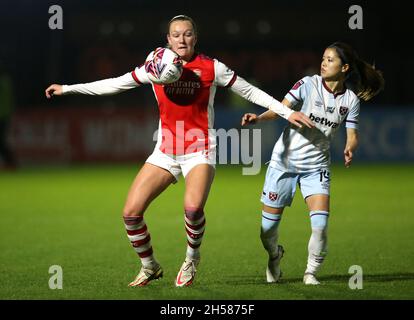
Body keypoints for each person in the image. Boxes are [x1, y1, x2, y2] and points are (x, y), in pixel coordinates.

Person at [45, 14, 313, 287]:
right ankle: (149, 266)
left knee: (193, 208)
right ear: (168, 40)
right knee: (131, 213)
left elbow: (250, 91)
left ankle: (191, 259)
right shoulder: (155, 67)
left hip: (201, 149)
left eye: (187, 34)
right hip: (165, 151)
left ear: (195, 38)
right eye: (176, 34)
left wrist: (285, 112)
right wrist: (67, 89)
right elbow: (114, 83)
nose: (182, 39)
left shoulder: (211, 68)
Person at [241, 42, 384, 285]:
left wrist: (351, 146)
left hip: (316, 167)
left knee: (320, 224)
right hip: (283, 164)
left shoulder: (350, 100)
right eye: (323, 58)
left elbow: (352, 133)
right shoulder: (308, 84)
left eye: (330, 60)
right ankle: (275, 255)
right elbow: (280, 109)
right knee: (267, 231)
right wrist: (258, 118)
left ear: (345, 67)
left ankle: (310, 273)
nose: (324, 63)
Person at [0, 64, 18, 170]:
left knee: (1, 140)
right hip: (6, 115)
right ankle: (10, 162)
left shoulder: (3, 82)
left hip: (2, 115)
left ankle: (10, 162)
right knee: (1, 140)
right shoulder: (7, 81)